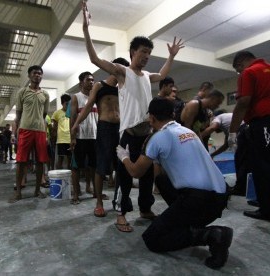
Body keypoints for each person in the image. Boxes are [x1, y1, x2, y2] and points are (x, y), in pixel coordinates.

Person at [82, 1, 184, 232]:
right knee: (125, 178)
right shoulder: (123, 72)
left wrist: (171, 56)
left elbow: (163, 74)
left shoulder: (147, 76)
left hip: (147, 135)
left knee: (147, 175)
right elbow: (95, 60)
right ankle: (121, 213)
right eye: (143, 52)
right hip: (128, 135)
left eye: (149, 52)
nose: (146, 56)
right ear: (132, 53)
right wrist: (86, 31)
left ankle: (146, 208)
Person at [116, 97, 232, 269]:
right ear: (172, 115)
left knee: (152, 238)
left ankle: (210, 235)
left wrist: (124, 156)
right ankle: (189, 224)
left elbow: (136, 172)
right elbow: (162, 174)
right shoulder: (188, 131)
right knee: (162, 181)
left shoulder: (157, 138)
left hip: (198, 201)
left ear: (152, 118)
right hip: (220, 198)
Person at [228, 51, 270, 221]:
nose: (239, 72)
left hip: (266, 122)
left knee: (264, 166)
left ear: (240, 63)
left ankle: (269, 210)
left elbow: (244, 102)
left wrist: (233, 131)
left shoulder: (248, 72)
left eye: (238, 69)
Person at [71, 57, 130, 217]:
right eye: (123, 70)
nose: (124, 74)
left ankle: (118, 201)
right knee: (101, 167)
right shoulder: (99, 85)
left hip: (121, 129)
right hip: (105, 128)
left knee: (121, 167)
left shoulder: (123, 88)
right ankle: (98, 202)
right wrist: (76, 124)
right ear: (114, 68)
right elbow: (88, 106)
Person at [10, 65, 49, 202]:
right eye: (34, 73)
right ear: (29, 75)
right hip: (25, 129)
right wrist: (15, 133)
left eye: (39, 73)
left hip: (40, 131)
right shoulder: (22, 92)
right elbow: (18, 115)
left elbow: (44, 115)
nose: (37, 75)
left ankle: (37, 190)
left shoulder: (45, 94)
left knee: (40, 162)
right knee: (21, 161)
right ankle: (18, 192)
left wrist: (44, 132)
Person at [69, 71, 97, 204]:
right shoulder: (76, 97)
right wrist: (72, 137)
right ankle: (75, 194)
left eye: (92, 80)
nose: (91, 82)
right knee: (76, 167)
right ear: (81, 82)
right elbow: (73, 118)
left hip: (94, 137)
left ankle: (93, 190)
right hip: (80, 137)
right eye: (88, 80)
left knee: (93, 166)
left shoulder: (96, 97)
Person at [52, 94, 72, 170]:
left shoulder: (72, 112)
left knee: (70, 159)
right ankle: (59, 176)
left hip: (70, 139)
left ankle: (69, 178)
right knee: (60, 159)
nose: (68, 105)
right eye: (66, 104)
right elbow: (54, 128)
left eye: (69, 104)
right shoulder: (57, 113)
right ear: (62, 103)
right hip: (61, 140)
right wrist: (53, 140)